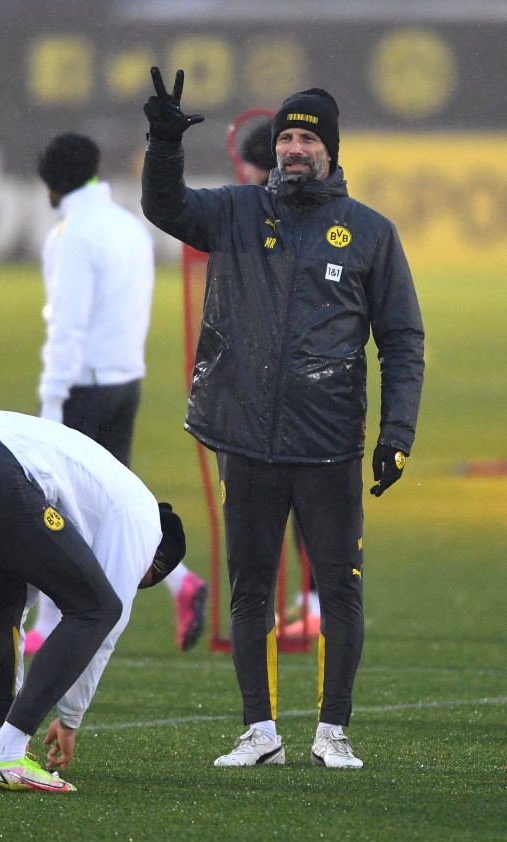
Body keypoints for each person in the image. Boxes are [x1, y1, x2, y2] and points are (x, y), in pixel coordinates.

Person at [141, 68, 425, 769]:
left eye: (307, 139)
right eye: (286, 138)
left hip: (329, 441)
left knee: (338, 587)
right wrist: (164, 144)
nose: (294, 149)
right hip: (246, 437)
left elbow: (402, 339)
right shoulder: (236, 211)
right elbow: (166, 207)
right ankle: (259, 731)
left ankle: (333, 730)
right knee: (249, 586)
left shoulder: (370, 234)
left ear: (330, 151)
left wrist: (397, 433)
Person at [0, 409, 187, 793]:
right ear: (155, 559)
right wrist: (70, 718)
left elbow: (31, 578)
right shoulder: (144, 518)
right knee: (97, 607)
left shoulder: (97, 492)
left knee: (3, 599)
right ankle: (8, 756)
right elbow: (107, 619)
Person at [24, 132, 207, 656]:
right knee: (112, 502)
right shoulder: (129, 226)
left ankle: (47, 622)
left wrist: (51, 399)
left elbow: (67, 325)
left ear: (51, 185)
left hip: (84, 384)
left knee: (53, 502)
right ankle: (180, 581)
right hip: (126, 380)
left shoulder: (72, 234)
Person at [235, 120, 320, 640]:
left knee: (299, 498)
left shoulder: (274, 220)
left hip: (291, 384)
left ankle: (313, 603)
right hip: (289, 380)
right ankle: (310, 601)